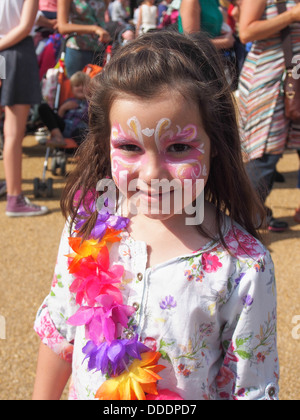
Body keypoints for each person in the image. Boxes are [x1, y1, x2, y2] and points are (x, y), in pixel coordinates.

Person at [32, 31, 279, 400]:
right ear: (104, 143)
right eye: (129, 147)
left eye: (179, 147)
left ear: (216, 144)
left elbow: (250, 389)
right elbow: (59, 336)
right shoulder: (85, 230)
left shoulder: (242, 268)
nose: (151, 174)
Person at [238, 0, 300, 232]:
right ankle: (245, 223)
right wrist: (291, 16)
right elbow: (246, 32)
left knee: (271, 155)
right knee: (263, 155)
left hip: (291, 83)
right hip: (266, 84)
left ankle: (256, 214)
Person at [0, 0, 48, 217]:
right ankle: (15, 198)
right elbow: (25, 25)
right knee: (13, 133)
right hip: (16, 54)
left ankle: (10, 188)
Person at [57, 0, 111, 78]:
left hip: (99, 49)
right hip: (78, 51)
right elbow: (62, 27)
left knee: (97, 88)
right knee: (77, 88)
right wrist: (94, 29)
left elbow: (102, 15)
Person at [38, 71, 90, 147]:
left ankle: (85, 151)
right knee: (43, 107)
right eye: (77, 85)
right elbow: (59, 117)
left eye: (83, 85)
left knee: (82, 133)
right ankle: (57, 137)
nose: (80, 88)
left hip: (81, 128)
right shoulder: (68, 101)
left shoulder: (91, 103)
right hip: (64, 126)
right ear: (72, 89)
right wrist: (63, 108)